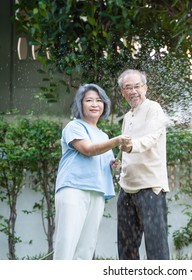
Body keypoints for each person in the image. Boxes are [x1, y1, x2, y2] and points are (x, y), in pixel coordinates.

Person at [53, 83, 130, 260]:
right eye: (89, 100)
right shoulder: (74, 127)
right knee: (67, 243)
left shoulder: (103, 136)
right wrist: (117, 140)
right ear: (81, 104)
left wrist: (113, 165)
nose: (95, 104)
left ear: (104, 105)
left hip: (97, 192)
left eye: (99, 100)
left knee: (86, 247)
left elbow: (102, 162)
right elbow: (88, 149)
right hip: (73, 189)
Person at [116, 69, 170, 260]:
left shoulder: (153, 108)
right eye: (128, 87)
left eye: (137, 86)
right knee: (126, 249)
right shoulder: (128, 116)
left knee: (156, 248)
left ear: (145, 88)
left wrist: (132, 147)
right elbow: (126, 147)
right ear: (123, 92)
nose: (133, 91)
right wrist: (119, 163)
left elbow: (151, 138)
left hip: (150, 189)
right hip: (126, 190)